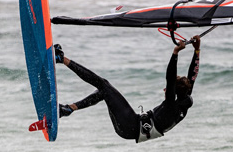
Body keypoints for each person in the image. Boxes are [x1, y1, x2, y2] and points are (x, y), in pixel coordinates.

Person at [55, 36, 201, 143]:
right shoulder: (183, 100)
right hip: (129, 128)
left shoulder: (171, 105)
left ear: (173, 91)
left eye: (168, 89)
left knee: (104, 85)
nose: (165, 89)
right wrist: (196, 50)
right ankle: (68, 109)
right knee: (104, 92)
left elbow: (170, 77)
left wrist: (175, 52)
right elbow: (193, 74)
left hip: (130, 125)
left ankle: (62, 59)